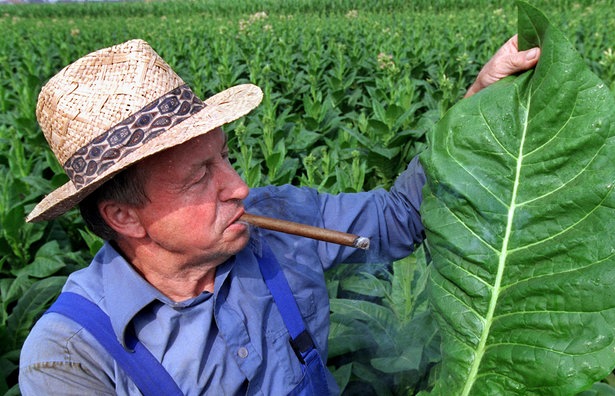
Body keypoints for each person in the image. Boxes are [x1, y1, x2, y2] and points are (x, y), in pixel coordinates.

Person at [19, 36, 539, 395]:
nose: (239, 186)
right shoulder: (70, 357)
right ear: (124, 217)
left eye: (223, 156)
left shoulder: (274, 222)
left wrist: (478, 104)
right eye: (200, 176)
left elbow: (401, 215)